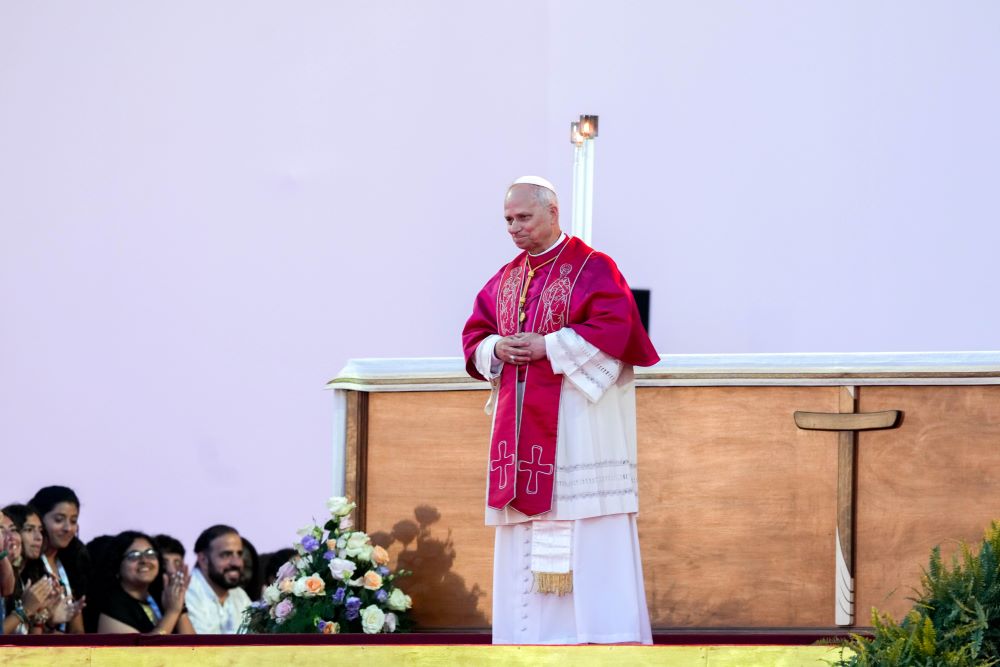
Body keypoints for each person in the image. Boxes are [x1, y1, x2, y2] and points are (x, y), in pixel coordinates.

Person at [462, 176, 660, 644]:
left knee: (588, 530)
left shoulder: (594, 268)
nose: (514, 228)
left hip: (577, 433)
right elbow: (475, 335)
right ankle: (523, 642)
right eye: (508, 219)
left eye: (523, 217)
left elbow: (618, 328)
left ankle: (601, 641)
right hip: (519, 440)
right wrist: (496, 348)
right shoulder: (506, 278)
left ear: (552, 213)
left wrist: (547, 346)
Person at [93, 531, 194, 634]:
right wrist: (172, 612)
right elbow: (147, 649)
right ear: (117, 565)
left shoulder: (161, 595)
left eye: (150, 554)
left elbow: (195, 647)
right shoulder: (112, 607)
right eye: (134, 555)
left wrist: (179, 605)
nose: (144, 560)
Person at [28, 486, 87, 633]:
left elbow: (78, 633)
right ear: (39, 519)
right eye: (59, 520)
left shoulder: (72, 561)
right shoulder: (28, 563)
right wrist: (49, 624)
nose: (68, 528)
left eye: (73, 521)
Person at [184, 524, 251, 634]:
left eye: (239, 554)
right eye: (226, 555)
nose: (237, 563)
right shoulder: (186, 593)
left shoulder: (240, 595)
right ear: (203, 560)